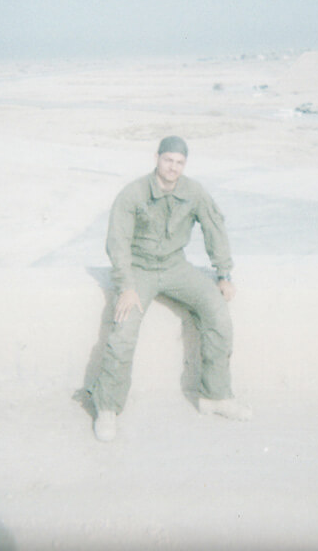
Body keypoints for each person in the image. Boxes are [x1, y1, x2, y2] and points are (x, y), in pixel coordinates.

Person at [87, 136, 251, 441]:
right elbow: (117, 243)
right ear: (157, 158)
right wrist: (125, 286)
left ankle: (216, 396)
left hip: (176, 266)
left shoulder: (193, 191)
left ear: (184, 165)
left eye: (179, 162)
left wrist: (224, 273)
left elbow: (214, 227)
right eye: (168, 160)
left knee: (217, 310)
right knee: (123, 329)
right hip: (139, 270)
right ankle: (107, 407)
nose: (173, 167)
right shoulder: (133, 193)